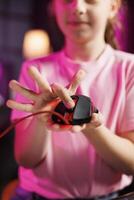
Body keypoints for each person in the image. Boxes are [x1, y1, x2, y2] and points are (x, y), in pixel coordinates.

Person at [7, 0, 134, 199]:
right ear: (53, 8)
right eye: (67, 0)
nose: (77, 7)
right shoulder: (35, 71)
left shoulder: (129, 68)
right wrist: (40, 121)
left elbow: (131, 163)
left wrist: (93, 128)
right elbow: (26, 159)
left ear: (113, 7)